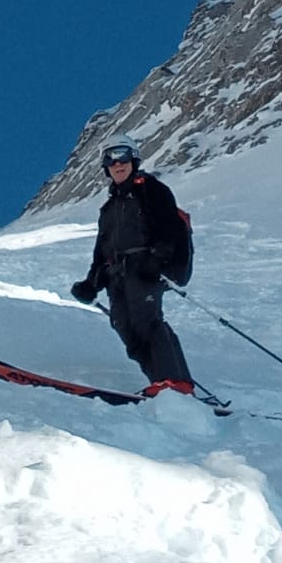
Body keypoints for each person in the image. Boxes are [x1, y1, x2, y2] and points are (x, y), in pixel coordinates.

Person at [70, 133, 193, 387]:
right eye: (110, 158)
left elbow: (170, 228)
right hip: (116, 276)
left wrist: (157, 259)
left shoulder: (151, 190)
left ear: (133, 159)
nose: (117, 163)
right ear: (105, 167)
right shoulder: (108, 209)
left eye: (123, 156)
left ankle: (176, 385)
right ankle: (161, 386)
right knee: (126, 329)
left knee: (147, 323)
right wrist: (91, 283)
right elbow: (101, 250)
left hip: (143, 269)